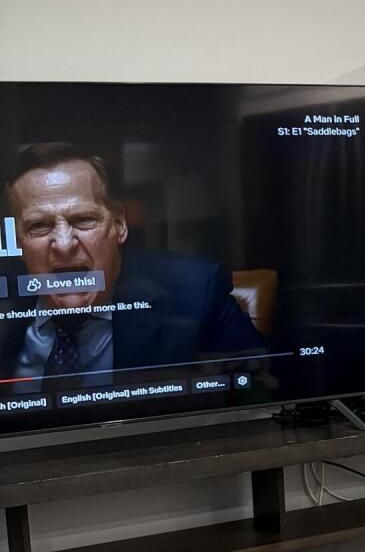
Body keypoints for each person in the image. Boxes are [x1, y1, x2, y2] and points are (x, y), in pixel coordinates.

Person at [0, 143, 267, 389]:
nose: (63, 244)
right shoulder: (7, 305)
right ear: (18, 240)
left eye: (83, 219)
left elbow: (259, 390)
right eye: (39, 225)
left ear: (120, 224)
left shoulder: (196, 293)